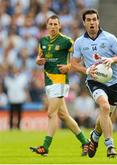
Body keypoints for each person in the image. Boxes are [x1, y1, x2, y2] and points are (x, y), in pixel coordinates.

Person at [71, 9, 117, 158]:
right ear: (84, 23)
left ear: (98, 21)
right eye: (88, 20)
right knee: (104, 106)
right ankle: (110, 146)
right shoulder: (79, 42)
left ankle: (94, 137)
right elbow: (74, 64)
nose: (92, 22)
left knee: (105, 114)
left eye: (94, 19)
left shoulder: (109, 38)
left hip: (114, 81)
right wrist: (87, 71)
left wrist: (112, 59)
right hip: (95, 81)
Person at [30, 15, 89, 156]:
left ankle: (45, 146)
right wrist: (39, 60)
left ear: (60, 26)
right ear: (47, 25)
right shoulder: (43, 40)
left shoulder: (67, 41)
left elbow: (80, 56)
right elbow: (40, 57)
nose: (53, 26)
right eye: (50, 24)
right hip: (49, 80)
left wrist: (69, 66)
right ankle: (86, 142)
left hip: (60, 81)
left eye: (55, 24)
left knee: (51, 114)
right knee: (64, 115)